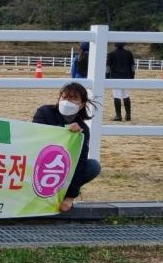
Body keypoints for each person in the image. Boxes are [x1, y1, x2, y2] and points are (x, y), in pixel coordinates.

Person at [32, 82, 101, 212]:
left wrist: (70, 197)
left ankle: (63, 194)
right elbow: (37, 134)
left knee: (93, 166)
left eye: (73, 98)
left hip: (61, 169)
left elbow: (80, 162)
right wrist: (65, 129)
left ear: (82, 104)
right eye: (64, 97)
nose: (67, 101)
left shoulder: (82, 129)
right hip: (37, 163)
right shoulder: (44, 112)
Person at [107, 42, 135, 121]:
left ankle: (118, 116)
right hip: (127, 77)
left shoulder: (111, 54)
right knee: (126, 95)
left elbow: (108, 67)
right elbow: (133, 66)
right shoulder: (129, 53)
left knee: (117, 96)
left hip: (115, 77)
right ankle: (128, 115)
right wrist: (132, 76)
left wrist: (107, 76)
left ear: (115, 45)